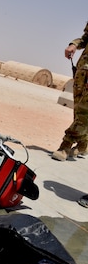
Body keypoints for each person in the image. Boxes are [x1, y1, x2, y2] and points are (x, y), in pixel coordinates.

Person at [52, 21, 88, 161]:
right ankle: (83, 144)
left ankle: (66, 145)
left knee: (85, 111)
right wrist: (74, 45)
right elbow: (86, 37)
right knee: (79, 110)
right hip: (82, 70)